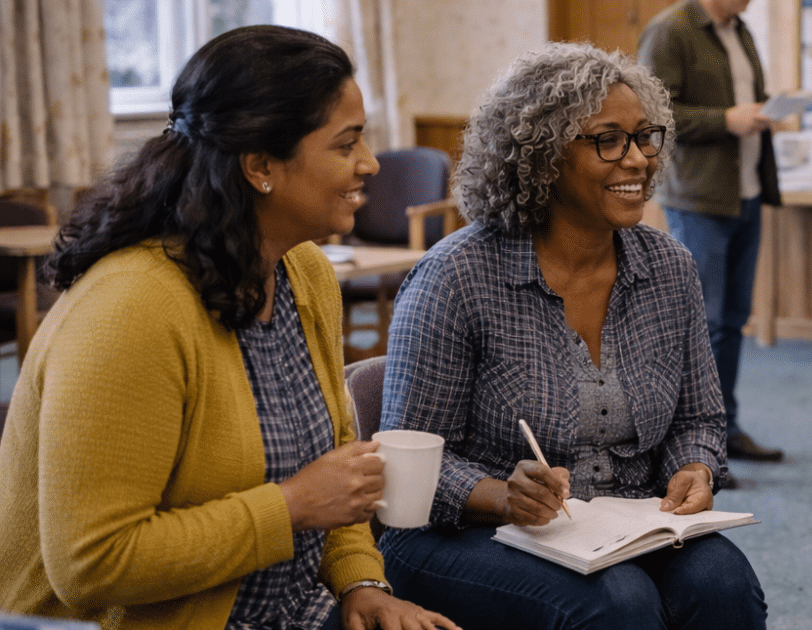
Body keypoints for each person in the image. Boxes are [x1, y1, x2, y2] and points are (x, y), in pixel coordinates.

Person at [0, 25, 456, 630]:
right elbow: (91, 564)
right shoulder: (131, 309)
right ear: (261, 165)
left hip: (290, 611)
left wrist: (362, 584)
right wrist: (291, 506)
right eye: (347, 144)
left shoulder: (304, 272)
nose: (370, 163)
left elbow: (340, 480)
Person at [375, 42, 767, 630]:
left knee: (724, 584)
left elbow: (699, 419)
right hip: (463, 534)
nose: (637, 159)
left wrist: (696, 469)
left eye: (645, 137)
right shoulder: (457, 277)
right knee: (620, 602)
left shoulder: (667, 267)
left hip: (625, 526)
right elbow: (406, 469)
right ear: (540, 157)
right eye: (608, 139)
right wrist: (499, 495)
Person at [638, 0, 785, 464]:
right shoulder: (670, 31)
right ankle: (692, 446)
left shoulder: (740, 30)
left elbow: (744, 104)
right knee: (702, 325)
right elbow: (652, 116)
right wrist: (726, 119)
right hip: (700, 200)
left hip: (746, 192)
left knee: (733, 319)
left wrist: (763, 112)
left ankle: (725, 427)